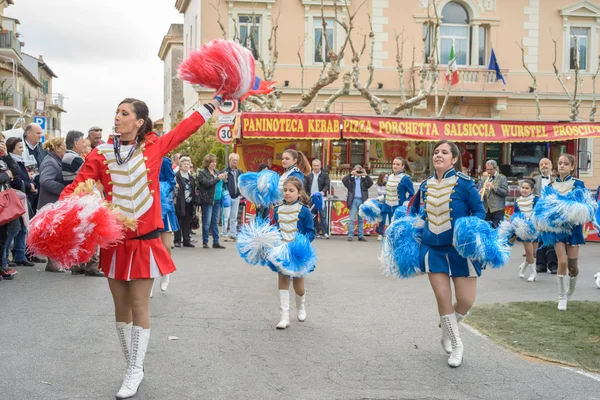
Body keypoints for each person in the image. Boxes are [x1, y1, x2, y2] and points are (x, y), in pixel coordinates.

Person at [61, 97, 219, 399]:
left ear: (139, 122)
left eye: (124, 113)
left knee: (139, 304)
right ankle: (132, 365)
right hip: (115, 242)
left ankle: (134, 369)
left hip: (145, 242)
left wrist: (210, 107)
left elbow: (185, 129)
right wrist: (55, 215)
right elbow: (78, 185)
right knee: (120, 308)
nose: (117, 117)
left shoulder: (154, 147)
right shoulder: (101, 153)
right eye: (116, 112)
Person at [410, 140, 486, 368]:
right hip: (433, 250)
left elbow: (480, 212)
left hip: (461, 251)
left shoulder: (465, 183)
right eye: (436, 152)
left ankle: (447, 328)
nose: (439, 155)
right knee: (443, 298)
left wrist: (469, 230)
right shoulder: (425, 185)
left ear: (454, 159)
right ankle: (457, 344)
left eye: (444, 152)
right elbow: (417, 212)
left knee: (465, 301)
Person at [273, 177, 315, 329]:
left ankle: (301, 305)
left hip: (298, 253)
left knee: (298, 284)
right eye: (285, 190)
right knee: (283, 279)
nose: (287, 193)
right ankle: (284, 317)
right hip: (282, 251)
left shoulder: (304, 211)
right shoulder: (277, 210)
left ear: (299, 193)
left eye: (291, 191)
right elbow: (274, 229)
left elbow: (311, 232)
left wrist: (301, 245)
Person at [62, 130, 104, 277]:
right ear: (76, 143)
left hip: (76, 198)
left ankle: (78, 264)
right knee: (91, 230)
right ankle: (91, 265)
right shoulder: (76, 159)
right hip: (83, 198)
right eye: (84, 144)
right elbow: (90, 176)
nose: (86, 148)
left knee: (79, 232)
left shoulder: (68, 157)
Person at [549, 154, 587, 311]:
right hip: (557, 228)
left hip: (574, 228)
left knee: (572, 266)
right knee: (562, 261)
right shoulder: (551, 186)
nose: (562, 166)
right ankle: (561, 296)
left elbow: (585, 205)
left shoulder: (578, 184)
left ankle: (570, 290)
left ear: (572, 167)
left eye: (565, 164)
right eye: (559, 163)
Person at [37, 137, 67, 273]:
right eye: (64, 146)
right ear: (56, 148)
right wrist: (64, 189)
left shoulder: (55, 160)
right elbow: (45, 181)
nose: (66, 148)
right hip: (50, 203)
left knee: (55, 234)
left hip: (53, 203)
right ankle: (52, 263)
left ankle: (54, 262)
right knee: (52, 235)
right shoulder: (50, 162)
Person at [154, 156, 179, 295]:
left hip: (164, 206)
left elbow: (171, 180)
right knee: (149, 247)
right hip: (147, 206)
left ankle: (165, 272)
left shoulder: (164, 161)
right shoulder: (140, 158)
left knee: (166, 247)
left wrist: (161, 189)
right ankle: (149, 280)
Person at [0, 133, 23, 280]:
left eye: (2, 141)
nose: (1, 144)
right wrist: (7, 175)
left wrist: (7, 155)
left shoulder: (3, 158)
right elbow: (7, 176)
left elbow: (16, 171)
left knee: (3, 236)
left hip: (4, 202)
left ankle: (1, 267)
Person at [197, 154, 228, 249]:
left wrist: (224, 179)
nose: (214, 164)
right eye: (212, 162)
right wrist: (218, 178)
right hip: (208, 200)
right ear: (207, 163)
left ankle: (216, 241)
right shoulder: (203, 173)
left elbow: (221, 184)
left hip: (217, 199)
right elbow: (207, 184)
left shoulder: (217, 171)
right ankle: (205, 241)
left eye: (215, 162)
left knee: (215, 221)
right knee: (207, 221)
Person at [379, 157, 414, 239]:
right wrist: (381, 198)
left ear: (402, 166)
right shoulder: (389, 177)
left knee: (399, 232)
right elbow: (390, 192)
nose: (395, 166)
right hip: (388, 206)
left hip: (399, 208)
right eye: (394, 164)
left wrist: (405, 204)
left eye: (398, 164)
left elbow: (412, 194)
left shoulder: (405, 178)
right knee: (390, 232)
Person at [534, 158, 558, 274]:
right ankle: (540, 264)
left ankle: (553, 264)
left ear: (551, 166)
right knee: (540, 238)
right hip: (539, 213)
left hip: (552, 212)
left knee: (552, 238)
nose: (544, 166)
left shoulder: (557, 180)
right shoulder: (534, 180)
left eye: (546, 164)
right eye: (541, 164)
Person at [514, 179, 539, 282]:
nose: (524, 190)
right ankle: (534, 273)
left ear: (532, 190)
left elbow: (539, 212)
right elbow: (515, 215)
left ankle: (524, 266)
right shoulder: (517, 201)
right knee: (528, 251)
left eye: (527, 188)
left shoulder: (536, 199)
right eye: (523, 188)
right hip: (524, 228)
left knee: (533, 253)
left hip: (535, 227)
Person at [342, 165, 373, 242]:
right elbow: (343, 180)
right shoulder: (351, 180)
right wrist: (350, 174)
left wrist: (366, 175)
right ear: (354, 171)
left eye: (359, 171)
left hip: (362, 200)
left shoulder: (364, 180)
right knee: (352, 219)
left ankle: (361, 235)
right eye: (357, 171)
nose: (358, 173)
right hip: (353, 200)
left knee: (361, 219)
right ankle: (350, 235)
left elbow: (370, 183)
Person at [304, 159, 330, 239]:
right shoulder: (309, 176)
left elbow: (327, 185)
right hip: (311, 199)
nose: (316, 167)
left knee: (323, 216)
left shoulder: (324, 175)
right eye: (314, 165)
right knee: (313, 216)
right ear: (312, 166)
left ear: (320, 165)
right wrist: (306, 196)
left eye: (317, 165)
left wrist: (323, 192)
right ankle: (317, 231)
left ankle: (325, 232)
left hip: (321, 199)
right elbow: (305, 187)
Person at [174, 156, 197, 248]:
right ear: (180, 165)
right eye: (184, 164)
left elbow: (193, 189)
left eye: (188, 164)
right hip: (179, 201)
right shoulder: (177, 176)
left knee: (187, 221)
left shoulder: (191, 177)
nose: (186, 166)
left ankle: (186, 240)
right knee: (179, 220)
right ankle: (177, 240)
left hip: (189, 202)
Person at [222, 153, 243, 241]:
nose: (235, 162)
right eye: (233, 160)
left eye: (236, 160)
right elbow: (222, 184)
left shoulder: (239, 172)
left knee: (234, 217)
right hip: (227, 196)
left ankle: (233, 234)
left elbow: (242, 183)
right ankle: (224, 234)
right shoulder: (225, 171)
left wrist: (241, 193)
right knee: (226, 216)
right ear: (229, 160)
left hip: (236, 196)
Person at [481, 160, 508, 228]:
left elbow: (505, 192)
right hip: (486, 208)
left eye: (491, 169)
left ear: (496, 168)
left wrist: (493, 187)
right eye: (487, 169)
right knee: (487, 229)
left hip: (497, 209)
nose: (489, 171)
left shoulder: (502, 178)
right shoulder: (484, 178)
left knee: (497, 229)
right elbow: (479, 189)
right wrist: (480, 192)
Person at [375, 172, 388, 240]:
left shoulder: (389, 184)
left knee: (386, 219)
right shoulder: (378, 185)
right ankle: (380, 233)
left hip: (387, 202)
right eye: (385, 177)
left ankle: (383, 233)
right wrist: (387, 191)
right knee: (381, 219)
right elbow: (379, 192)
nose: (386, 178)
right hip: (380, 203)